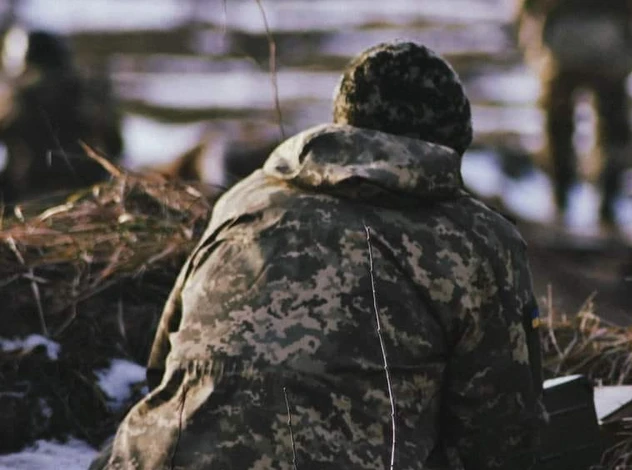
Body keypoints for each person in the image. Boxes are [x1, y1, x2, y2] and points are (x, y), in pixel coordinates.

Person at [92, 41, 543, 470]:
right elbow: (500, 435)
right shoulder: (477, 238)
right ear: (450, 141)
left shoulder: (246, 200)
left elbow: (161, 366)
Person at [515, 0, 632, 232]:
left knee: (559, 125)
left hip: (561, 39)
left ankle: (561, 200)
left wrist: (527, 26)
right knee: (611, 125)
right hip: (607, 36)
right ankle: (606, 206)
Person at [0, 28, 123, 203]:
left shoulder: (15, 101)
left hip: (30, 193)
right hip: (85, 194)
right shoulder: (88, 97)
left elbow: (115, 146)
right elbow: (116, 147)